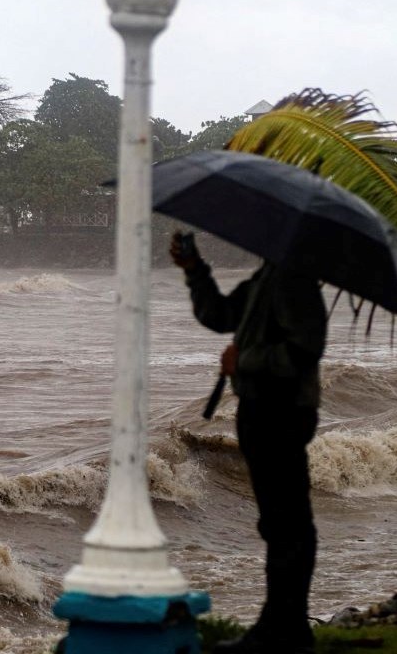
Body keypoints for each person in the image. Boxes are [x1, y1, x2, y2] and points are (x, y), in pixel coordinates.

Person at [170, 231, 327, 654]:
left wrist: (247, 361)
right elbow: (220, 315)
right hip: (260, 408)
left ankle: (286, 628)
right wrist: (195, 270)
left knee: (288, 522)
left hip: (282, 411)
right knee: (279, 521)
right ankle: (282, 624)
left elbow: (306, 347)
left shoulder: (294, 280)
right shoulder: (268, 277)